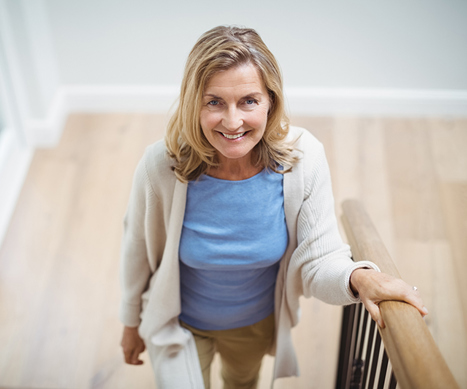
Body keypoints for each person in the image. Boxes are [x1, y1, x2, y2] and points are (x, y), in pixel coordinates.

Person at [119, 25, 427, 389]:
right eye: (214, 101)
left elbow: (319, 258)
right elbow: (136, 249)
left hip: (254, 324)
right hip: (178, 323)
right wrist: (130, 322)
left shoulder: (303, 159)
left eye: (249, 101)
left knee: (242, 383)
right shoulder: (161, 165)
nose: (232, 122)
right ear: (194, 103)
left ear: (271, 101)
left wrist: (359, 278)